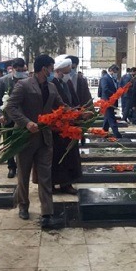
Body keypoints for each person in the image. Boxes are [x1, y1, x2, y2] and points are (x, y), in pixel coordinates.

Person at [5, 54, 66, 229]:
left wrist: (79, 114)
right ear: (44, 69)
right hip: (25, 137)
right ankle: (23, 205)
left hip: (45, 138)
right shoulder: (23, 85)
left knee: (46, 176)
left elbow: (61, 107)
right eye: (51, 68)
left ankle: (47, 211)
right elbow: (10, 107)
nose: (53, 71)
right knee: (23, 174)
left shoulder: (52, 87)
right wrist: (26, 123)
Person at [50, 56, 81, 195]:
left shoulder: (67, 83)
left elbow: (73, 101)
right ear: (59, 71)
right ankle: (51, 184)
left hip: (69, 125)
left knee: (69, 156)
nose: (70, 74)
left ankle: (66, 184)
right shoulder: (52, 84)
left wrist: (79, 113)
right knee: (55, 157)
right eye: (68, 71)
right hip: (56, 127)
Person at [0, 58, 28, 178]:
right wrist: (0, 114)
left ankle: (23, 167)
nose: (19, 72)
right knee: (9, 144)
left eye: (22, 70)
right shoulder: (3, 81)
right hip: (8, 118)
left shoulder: (28, 80)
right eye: (17, 70)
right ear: (12, 69)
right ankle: (11, 166)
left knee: (23, 144)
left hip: (24, 118)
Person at [99, 64, 122, 138]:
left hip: (112, 101)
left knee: (107, 117)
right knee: (111, 117)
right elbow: (105, 89)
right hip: (107, 101)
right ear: (110, 70)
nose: (116, 73)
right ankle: (116, 134)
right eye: (115, 72)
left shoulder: (113, 79)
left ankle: (104, 132)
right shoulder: (105, 78)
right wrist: (114, 94)